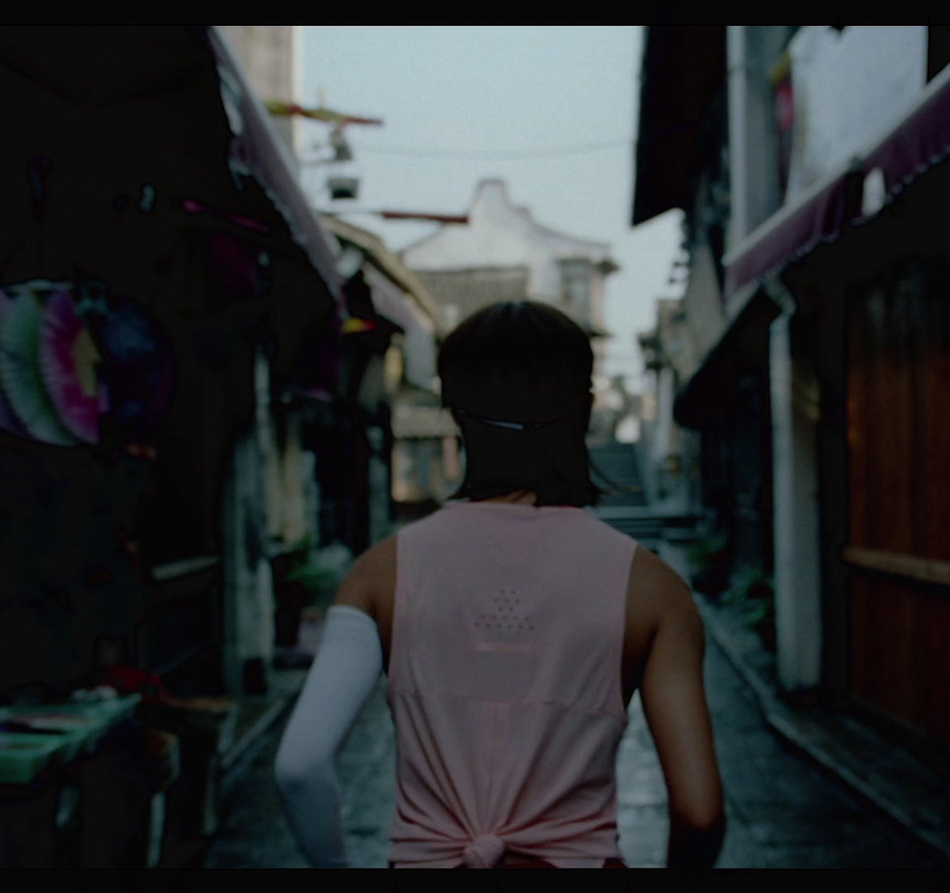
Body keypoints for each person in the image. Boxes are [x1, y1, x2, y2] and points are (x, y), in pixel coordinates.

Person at [274, 300, 725, 868]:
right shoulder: (654, 588)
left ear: (454, 414)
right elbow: (701, 813)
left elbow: (299, 766)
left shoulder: (378, 574)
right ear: (583, 412)